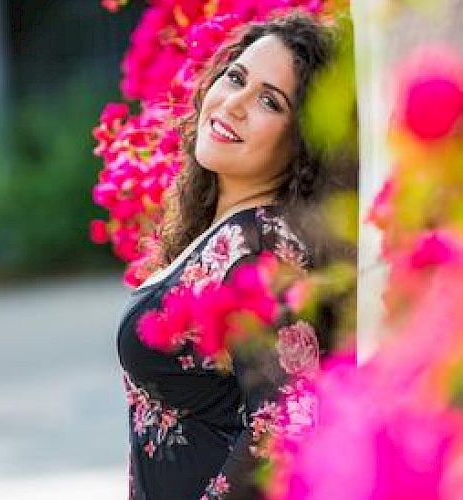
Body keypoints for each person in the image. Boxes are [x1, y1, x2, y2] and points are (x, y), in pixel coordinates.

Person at [116, 11, 335, 500]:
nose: (234, 104)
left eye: (268, 102)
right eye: (236, 77)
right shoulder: (228, 235)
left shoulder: (261, 250)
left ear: (302, 144)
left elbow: (287, 427)